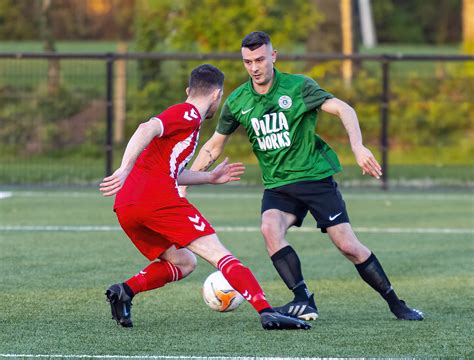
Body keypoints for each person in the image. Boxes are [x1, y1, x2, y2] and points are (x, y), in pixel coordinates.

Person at [183, 33, 424, 321]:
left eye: (260, 59)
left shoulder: (299, 87)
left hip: (314, 178)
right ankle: (303, 299)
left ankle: (396, 303)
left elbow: (343, 109)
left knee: (348, 246)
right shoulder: (238, 101)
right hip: (278, 185)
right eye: (248, 62)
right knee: (269, 229)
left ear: (273, 56)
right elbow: (213, 145)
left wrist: (358, 146)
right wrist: (185, 182)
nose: (255, 67)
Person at [99, 64, 310, 330]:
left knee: (184, 262)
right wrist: (124, 167)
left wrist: (209, 177)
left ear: (189, 89)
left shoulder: (188, 124)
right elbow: (146, 127)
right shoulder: (188, 113)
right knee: (220, 255)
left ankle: (124, 291)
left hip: (128, 205)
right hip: (156, 201)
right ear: (216, 95)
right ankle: (266, 311)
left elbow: (171, 171)